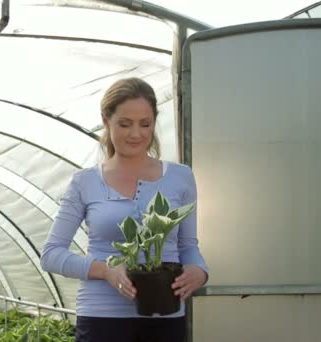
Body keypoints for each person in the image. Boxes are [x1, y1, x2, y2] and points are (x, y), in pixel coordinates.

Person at [40, 77, 208, 342]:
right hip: (101, 317)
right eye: (124, 124)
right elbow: (51, 254)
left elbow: (188, 245)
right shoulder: (85, 181)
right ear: (106, 121)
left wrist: (199, 271)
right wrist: (105, 270)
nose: (136, 134)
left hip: (165, 315)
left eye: (145, 124)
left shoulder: (181, 177)